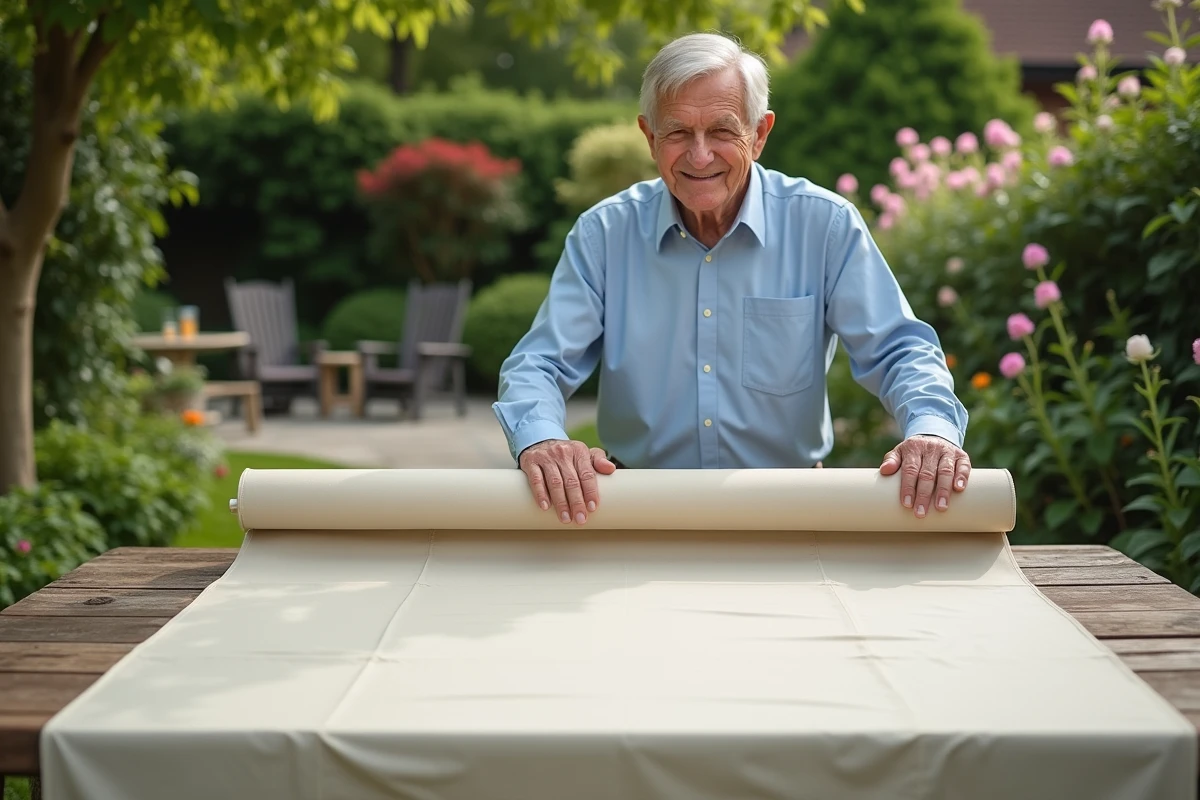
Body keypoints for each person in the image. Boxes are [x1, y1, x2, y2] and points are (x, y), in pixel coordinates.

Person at [492, 31, 971, 526]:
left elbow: (899, 350)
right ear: (649, 137)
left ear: (759, 134)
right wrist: (543, 438)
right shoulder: (603, 234)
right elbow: (539, 364)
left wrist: (931, 429)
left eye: (723, 130)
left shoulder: (824, 226)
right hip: (638, 515)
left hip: (788, 514)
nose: (699, 156)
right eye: (678, 132)